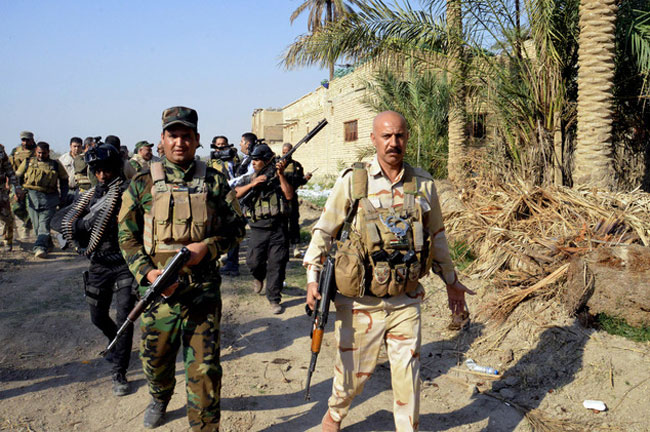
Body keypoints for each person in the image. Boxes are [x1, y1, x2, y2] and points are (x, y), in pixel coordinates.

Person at [304, 111, 476, 432]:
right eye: (386, 136)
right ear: (373, 139)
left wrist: (452, 282)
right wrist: (312, 279)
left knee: (408, 378)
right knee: (351, 378)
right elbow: (325, 230)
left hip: (405, 300)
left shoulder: (423, 184)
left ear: (407, 138)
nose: (393, 142)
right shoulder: (354, 180)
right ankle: (334, 415)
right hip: (360, 303)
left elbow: (437, 236)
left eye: (399, 135)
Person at [118, 106, 245, 430]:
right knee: (156, 360)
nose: (179, 142)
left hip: (201, 292)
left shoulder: (214, 181)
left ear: (197, 139)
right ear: (161, 139)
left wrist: (208, 248)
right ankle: (160, 396)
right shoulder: (143, 182)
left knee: (205, 370)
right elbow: (126, 236)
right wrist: (148, 273)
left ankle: (204, 426)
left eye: (186, 136)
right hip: (158, 295)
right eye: (172, 135)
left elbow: (236, 228)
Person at [61, 143, 136, 396]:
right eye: (98, 171)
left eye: (107, 170)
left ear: (116, 168)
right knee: (97, 316)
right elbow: (65, 223)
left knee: (125, 319)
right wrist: (83, 225)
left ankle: (119, 371)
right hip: (99, 264)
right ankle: (116, 343)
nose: (102, 175)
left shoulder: (127, 193)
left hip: (125, 264)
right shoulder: (90, 196)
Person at [235, 143, 293, 314]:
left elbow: (289, 195)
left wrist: (280, 175)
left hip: (278, 228)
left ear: (267, 161)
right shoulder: (249, 178)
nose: (253, 163)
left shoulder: (279, 177)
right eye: (253, 159)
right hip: (257, 228)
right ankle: (259, 277)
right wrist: (252, 185)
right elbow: (235, 194)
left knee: (277, 264)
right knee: (253, 262)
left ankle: (274, 299)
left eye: (258, 160)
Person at [15, 141, 68, 258]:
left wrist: (63, 197)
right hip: (32, 197)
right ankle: (48, 244)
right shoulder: (28, 162)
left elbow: (64, 181)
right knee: (37, 226)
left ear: (48, 152)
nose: (41, 155)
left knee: (44, 225)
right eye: (39, 153)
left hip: (50, 198)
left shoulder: (55, 164)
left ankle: (40, 247)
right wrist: (18, 191)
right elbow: (17, 177)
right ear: (35, 152)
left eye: (43, 153)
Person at [209, 135, 242, 276]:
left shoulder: (234, 160)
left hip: (233, 200)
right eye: (219, 144)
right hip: (218, 201)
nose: (222, 147)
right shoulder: (211, 162)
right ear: (214, 146)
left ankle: (232, 264)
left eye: (224, 144)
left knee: (234, 231)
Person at [281, 143, 313, 257]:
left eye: (288, 152)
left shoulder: (296, 165)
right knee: (282, 223)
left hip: (293, 197)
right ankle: (283, 246)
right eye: (284, 152)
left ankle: (295, 246)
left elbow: (300, 181)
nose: (286, 154)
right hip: (280, 198)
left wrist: (306, 179)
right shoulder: (277, 165)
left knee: (294, 222)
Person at [9, 131, 36, 237]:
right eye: (23, 140)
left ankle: (29, 229)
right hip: (17, 182)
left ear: (32, 140)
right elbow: (9, 167)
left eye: (27, 140)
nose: (25, 142)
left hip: (32, 184)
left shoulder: (37, 151)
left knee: (31, 208)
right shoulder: (15, 151)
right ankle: (27, 222)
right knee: (15, 207)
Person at [0, 143, 24, 251]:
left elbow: (10, 171)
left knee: (7, 217)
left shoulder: (0, 150)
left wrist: (17, 187)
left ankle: (7, 241)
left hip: (1, 191)